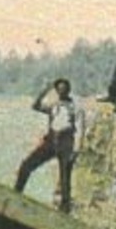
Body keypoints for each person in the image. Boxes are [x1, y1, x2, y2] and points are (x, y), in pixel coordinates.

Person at [14, 78, 82, 212]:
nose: (61, 92)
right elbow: (35, 105)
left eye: (64, 89)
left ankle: (65, 207)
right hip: (51, 140)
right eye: (59, 89)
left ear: (68, 91)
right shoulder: (53, 106)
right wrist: (45, 90)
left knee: (65, 177)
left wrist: (76, 149)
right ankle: (17, 191)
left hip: (66, 142)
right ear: (56, 91)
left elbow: (80, 129)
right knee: (27, 164)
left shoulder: (74, 108)